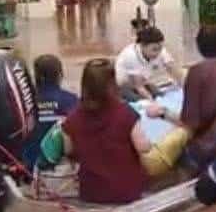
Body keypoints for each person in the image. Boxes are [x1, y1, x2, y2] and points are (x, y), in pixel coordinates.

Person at [146, 26, 216, 172]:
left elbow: (189, 122)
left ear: (199, 48)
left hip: (212, 151)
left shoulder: (197, 73)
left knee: (175, 153)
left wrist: (162, 113)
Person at [61, 59, 150, 204]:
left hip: (91, 193)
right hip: (126, 192)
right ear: (112, 84)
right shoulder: (125, 114)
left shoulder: (73, 118)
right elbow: (143, 147)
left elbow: (68, 150)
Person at [21, 55, 79, 169]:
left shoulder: (26, 102)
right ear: (60, 75)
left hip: (31, 165)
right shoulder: (72, 100)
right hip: (63, 168)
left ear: (37, 76)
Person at [114, 26, 182, 101]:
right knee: (142, 102)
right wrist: (152, 102)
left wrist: (184, 86)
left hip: (144, 81)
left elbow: (172, 68)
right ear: (142, 46)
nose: (158, 52)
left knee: (161, 95)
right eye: (154, 49)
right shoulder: (131, 56)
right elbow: (139, 86)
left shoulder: (159, 50)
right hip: (125, 86)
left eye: (160, 48)